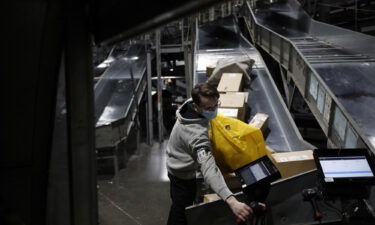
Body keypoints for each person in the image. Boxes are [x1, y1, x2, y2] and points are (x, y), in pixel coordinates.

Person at [166, 83, 253, 225]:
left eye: (216, 105)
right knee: (181, 211)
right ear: (196, 106)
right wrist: (231, 201)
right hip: (182, 174)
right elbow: (208, 169)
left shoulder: (189, 105)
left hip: (175, 159)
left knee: (178, 205)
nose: (213, 110)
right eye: (208, 108)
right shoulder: (196, 135)